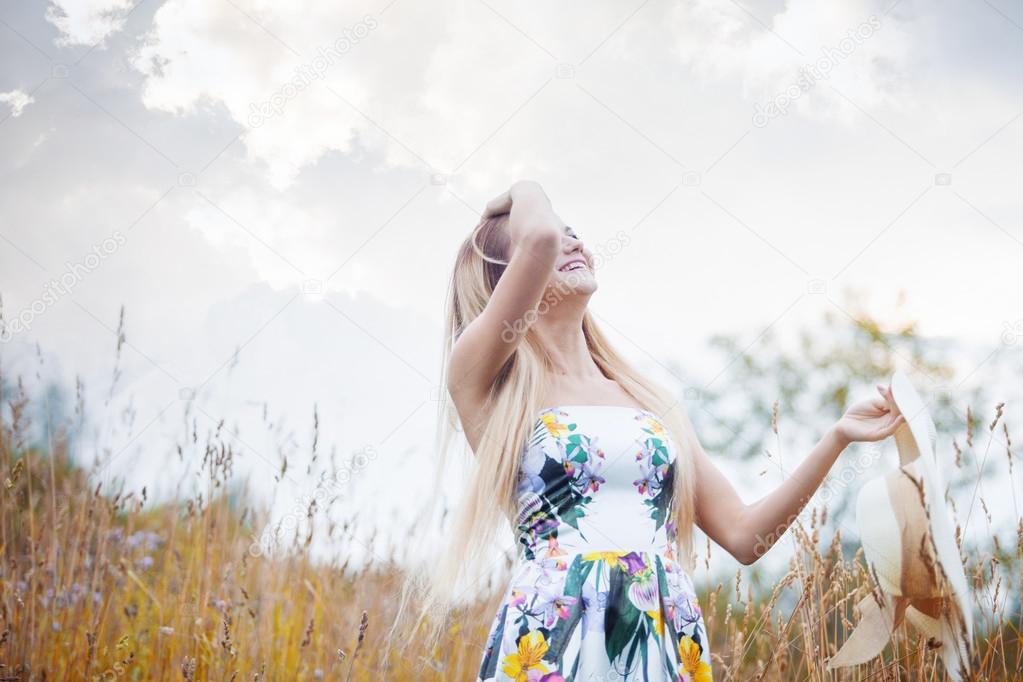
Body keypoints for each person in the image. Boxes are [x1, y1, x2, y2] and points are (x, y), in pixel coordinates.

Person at [392, 180, 904, 681]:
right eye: (554, 232)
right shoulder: (488, 386)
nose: (571, 241)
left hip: (659, 630)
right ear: (507, 276)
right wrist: (523, 189)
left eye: (576, 231)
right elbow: (541, 237)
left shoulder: (646, 400)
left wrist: (837, 438)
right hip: (552, 637)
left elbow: (747, 537)